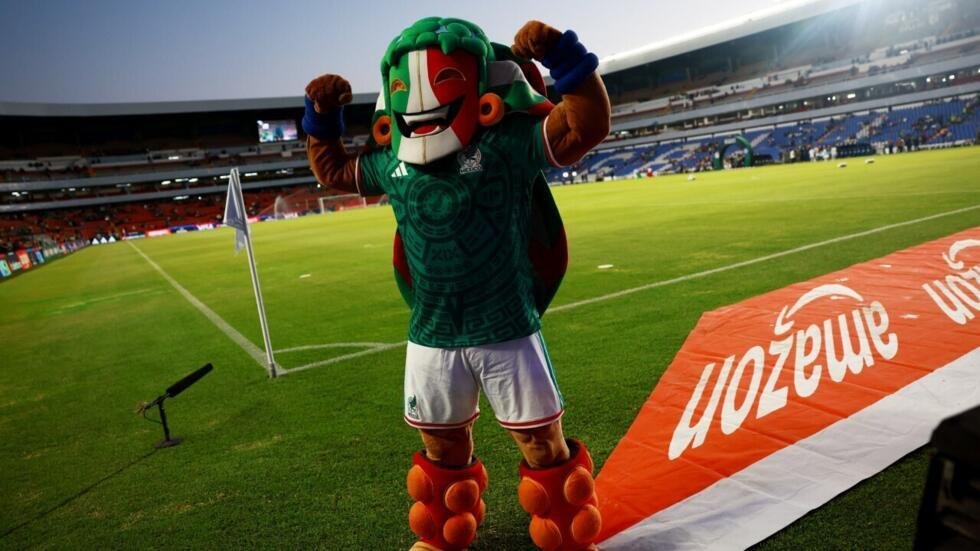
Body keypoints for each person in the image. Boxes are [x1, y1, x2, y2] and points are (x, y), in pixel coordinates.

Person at [303, 17, 609, 551]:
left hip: (507, 326)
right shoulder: (393, 165)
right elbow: (334, 173)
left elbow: (581, 127)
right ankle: (447, 537)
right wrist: (321, 118)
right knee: (441, 449)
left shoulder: (507, 145)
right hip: (432, 335)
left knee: (541, 442)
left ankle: (564, 533)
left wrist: (565, 57)